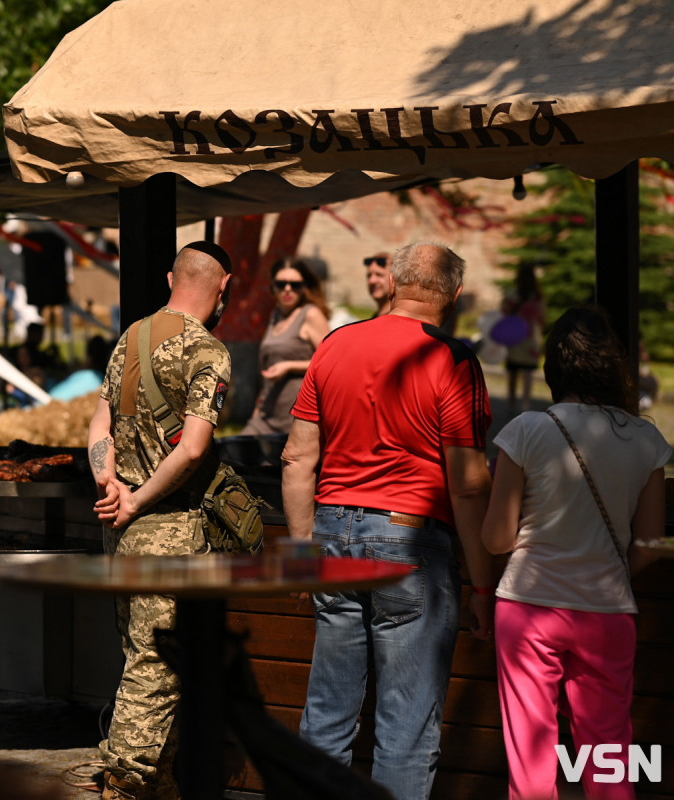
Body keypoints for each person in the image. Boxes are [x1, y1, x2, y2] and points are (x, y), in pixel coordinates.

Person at [281, 242, 495, 800]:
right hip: (410, 541)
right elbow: (469, 485)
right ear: (453, 294)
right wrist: (483, 583)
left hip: (331, 535)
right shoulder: (452, 358)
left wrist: (301, 554)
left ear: (395, 283)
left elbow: (297, 459)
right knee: (405, 728)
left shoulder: (334, 344)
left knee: (326, 715)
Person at [481, 307, 669, 800]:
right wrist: (608, 572)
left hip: (528, 605)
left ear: (553, 366)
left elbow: (497, 539)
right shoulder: (647, 439)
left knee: (532, 756)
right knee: (609, 756)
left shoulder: (525, 430)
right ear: (613, 366)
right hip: (608, 612)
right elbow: (649, 547)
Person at [87, 241, 233, 800]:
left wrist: (111, 487)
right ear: (225, 287)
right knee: (156, 664)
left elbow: (98, 424)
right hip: (167, 527)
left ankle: (162, 783)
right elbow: (194, 449)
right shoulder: (209, 352)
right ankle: (124, 783)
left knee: (139, 651)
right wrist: (140, 498)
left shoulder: (133, 337)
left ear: (172, 276)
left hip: (119, 528)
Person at [239, 258, 330, 436]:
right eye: (281, 284)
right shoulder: (276, 316)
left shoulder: (310, 315)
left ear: (304, 287)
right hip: (265, 416)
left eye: (295, 284)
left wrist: (289, 367)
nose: (287, 289)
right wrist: (257, 409)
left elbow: (331, 361)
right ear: (273, 287)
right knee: (235, 455)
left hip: (297, 418)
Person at [502, 263, 545, 414]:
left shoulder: (512, 294)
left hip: (515, 337)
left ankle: (511, 403)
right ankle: (526, 404)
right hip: (531, 339)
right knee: (528, 374)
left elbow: (504, 313)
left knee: (513, 372)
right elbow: (542, 318)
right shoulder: (537, 297)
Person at [364, 252, 393, 317]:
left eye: (379, 275)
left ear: (394, 280)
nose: (372, 281)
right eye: (369, 276)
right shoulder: (375, 317)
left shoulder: (397, 319)